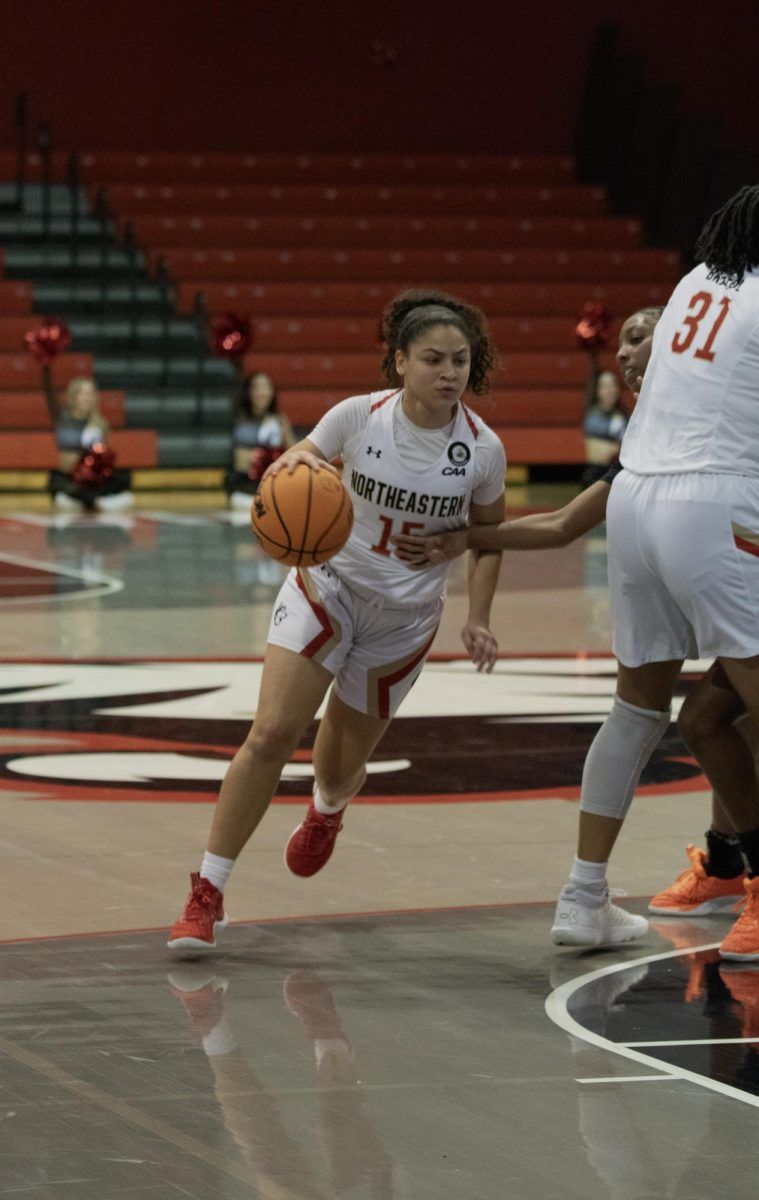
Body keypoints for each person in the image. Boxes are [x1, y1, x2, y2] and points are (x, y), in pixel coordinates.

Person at [168, 288, 506, 955]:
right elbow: (302, 456)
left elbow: (489, 537)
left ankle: (327, 811)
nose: (448, 373)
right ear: (399, 361)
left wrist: (479, 616)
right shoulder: (359, 416)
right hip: (328, 589)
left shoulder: (483, 450)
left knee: (336, 767)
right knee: (269, 735)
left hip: (403, 621)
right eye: (433, 359)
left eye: (459, 361)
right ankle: (206, 892)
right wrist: (291, 466)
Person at [393, 304, 752, 923]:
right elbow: (562, 524)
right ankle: (678, 875)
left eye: (640, 337)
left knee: (726, 717)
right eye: (622, 343)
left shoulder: (734, 414)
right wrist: (467, 539)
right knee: (700, 719)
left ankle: (728, 866)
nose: (624, 353)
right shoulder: (649, 440)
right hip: (704, 544)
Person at [546, 184, 759, 955]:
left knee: (639, 711)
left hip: (633, 497)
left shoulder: (696, 282)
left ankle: (583, 895)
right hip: (716, 498)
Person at [44, 370, 133, 512]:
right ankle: (94, 501)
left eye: (90, 393)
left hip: (96, 478)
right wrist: (84, 460)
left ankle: (88, 501)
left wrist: (99, 459)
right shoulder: (64, 423)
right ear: (74, 397)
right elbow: (66, 464)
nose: (87, 398)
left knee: (125, 477)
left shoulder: (100, 424)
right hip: (75, 477)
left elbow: (107, 457)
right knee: (55, 480)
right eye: (83, 394)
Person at [225, 371, 295, 509]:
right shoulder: (240, 421)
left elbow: (293, 451)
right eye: (256, 387)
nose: (262, 392)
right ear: (248, 392)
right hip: (246, 485)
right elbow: (240, 461)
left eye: (266, 386)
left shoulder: (280, 420)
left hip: (275, 483)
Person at [582, 366, 628, 487]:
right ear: (598, 390)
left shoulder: (624, 415)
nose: (610, 390)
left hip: (620, 474)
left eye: (612, 385)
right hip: (597, 475)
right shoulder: (592, 416)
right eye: (605, 386)